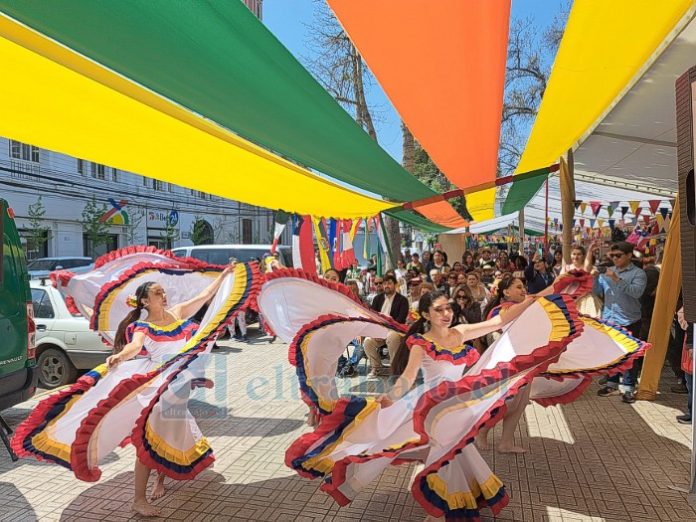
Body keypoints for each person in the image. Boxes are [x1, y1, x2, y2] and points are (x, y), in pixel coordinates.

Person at [13, 255, 245, 518]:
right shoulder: (142, 326)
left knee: (166, 435)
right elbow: (134, 348)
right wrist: (119, 356)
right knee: (149, 439)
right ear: (145, 301)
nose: (164, 296)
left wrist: (226, 274)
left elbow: (205, 295)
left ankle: (159, 480)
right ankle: (138, 499)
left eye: (163, 292)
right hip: (156, 387)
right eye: (158, 293)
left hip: (177, 385)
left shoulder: (177, 313)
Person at [478, 275, 534, 453]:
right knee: (506, 402)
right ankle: (482, 432)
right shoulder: (499, 311)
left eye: (523, 286)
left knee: (520, 403)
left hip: (526, 360)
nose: (523, 289)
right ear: (506, 292)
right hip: (507, 365)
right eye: (518, 287)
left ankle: (506, 442)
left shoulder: (527, 307)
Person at [594, 241, 648, 403]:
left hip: (629, 319)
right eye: (613, 256)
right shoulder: (608, 273)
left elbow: (636, 293)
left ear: (629, 256)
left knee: (629, 355)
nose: (615, 259)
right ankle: (612, 384)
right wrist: (595, 278)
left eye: (618, 255)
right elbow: (597, 292)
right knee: (612, 354)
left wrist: (617, 279)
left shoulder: (638, 274)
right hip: (610, 320)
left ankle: (629, 388)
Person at [364, 274, 409, 377]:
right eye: (385, 284)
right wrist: (375, 332)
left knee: (391, 336)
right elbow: (373, 317)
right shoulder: (377, 299)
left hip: (396, 330)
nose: (386, 286)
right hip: (379, 332)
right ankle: (377, 368)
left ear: (395, 285)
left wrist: (385, 331)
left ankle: (395, 367)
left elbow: (400, 320)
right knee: (367, 341)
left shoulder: (402, 300)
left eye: (389, 283)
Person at [677, 306, 694, 424]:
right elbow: (683, 313)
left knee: (692, 381)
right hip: (691, 340)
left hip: (692, 342)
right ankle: (692, 413)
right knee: (690, 381)